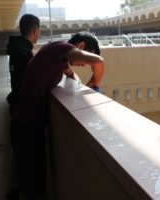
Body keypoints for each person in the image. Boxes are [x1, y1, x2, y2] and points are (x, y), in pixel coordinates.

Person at [10, 32, 104, 200]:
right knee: (34, 184)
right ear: (81, 47)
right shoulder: (60, 48)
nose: (84, 65)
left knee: (30, 178)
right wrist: (95, 84)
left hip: (27, 123)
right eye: (85, 60)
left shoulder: (57, 55)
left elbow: (70, 74)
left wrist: (82, 86)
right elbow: (98, 62)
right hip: (27, 126)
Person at [6, 14, 40, 115]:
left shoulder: (17, 48)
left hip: (16, 104)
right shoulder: (23, 52)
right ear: (36, 30)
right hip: (23, 110)